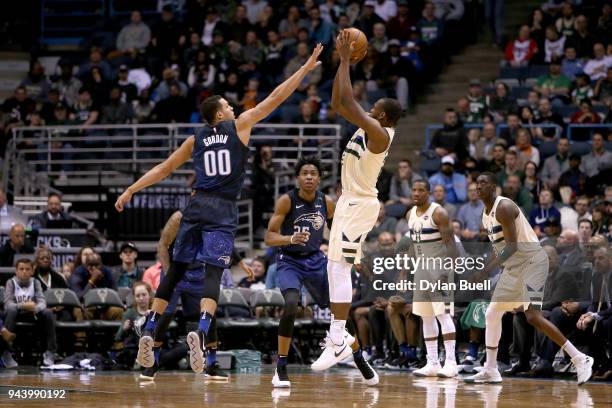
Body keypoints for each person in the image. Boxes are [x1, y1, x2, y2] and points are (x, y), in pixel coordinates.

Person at [114, 44, 324, 374]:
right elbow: (277, 97)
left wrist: (131, 189)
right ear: (219, 116)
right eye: (227, 106)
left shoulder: (194, 139)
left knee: (176, 271)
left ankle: (151, 326)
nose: (232, 107)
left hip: (196, 206)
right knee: (213, 273)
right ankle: (201, 326)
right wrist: (305, 69)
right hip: (223, 210)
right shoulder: (239, 126)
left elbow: (163, 169)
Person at [310, 30, 401, 382]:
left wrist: (347, 60)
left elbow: (348, 103)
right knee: (334, 267)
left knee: (340, 269)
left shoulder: (380, 134)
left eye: (376, 110)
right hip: (348, 201)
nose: (370, 111)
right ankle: (341, 338)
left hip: (361, 204)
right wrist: (341, 63)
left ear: (385, 118)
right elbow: (338, 103)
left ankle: (337, 336)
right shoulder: (371, 125)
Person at [465, 172, 593, 384]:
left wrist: (486, 272)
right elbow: (500, 249)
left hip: (533, 261)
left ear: (494, 187)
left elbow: (513, 246)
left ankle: (580, 359)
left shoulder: (504, 207)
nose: (478, 187)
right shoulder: (485, 215)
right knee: (492, 313)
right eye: (476, 183)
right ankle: (490, 369)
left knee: (533, 316)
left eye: (483, 183)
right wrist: (483, 267)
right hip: (514, 267)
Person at [264, 157, 336, 387]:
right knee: (292, 303)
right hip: (290, 260)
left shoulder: (327, 202)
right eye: (304, 173)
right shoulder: (286, 201)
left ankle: (357, 356)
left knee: (339, 305)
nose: (308, 177)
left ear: (319, 178)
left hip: (315, 259)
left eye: (313, 173)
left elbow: (336, 234)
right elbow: (269, 237)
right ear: (297, 178)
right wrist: (290, 238)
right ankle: (281, 366)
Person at [407, 180, 458, 378]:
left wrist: (446, 274)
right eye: (414, 189)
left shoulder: (439, 213)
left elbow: (452, 247)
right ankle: (433, 363)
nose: (417, 193)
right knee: (426, 316)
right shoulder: (410, 214)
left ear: (429, 193)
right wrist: (405, 271)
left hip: (440, 269)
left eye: (421, 190)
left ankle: (451, 363)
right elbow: (413, 245)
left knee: (443, 315)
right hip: (421, 269)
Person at [3, 259, 57, 367]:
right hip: (15, 314)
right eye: (21, 269)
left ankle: (50, 351)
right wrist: (23, 306)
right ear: (16, 271)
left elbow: (42, 301)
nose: (24, 272)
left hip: (31, 314)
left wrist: (35, 308)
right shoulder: (11, 282)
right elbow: (7, 304)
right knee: (11, 310)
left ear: (32, 271)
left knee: (48, 313)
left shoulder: (35, 282)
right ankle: (6, 352)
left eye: (27, 269)